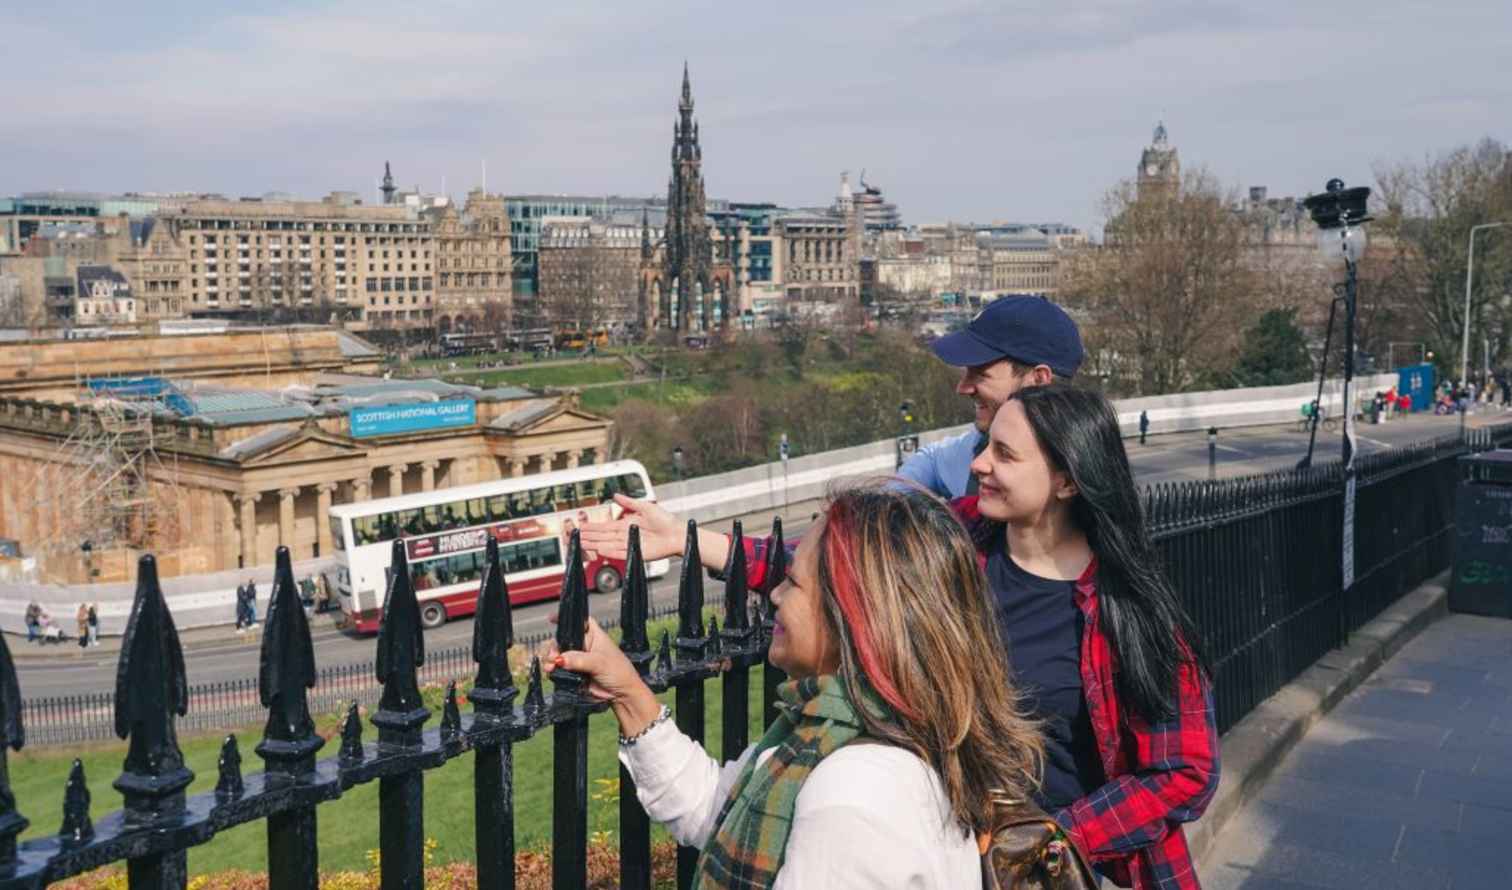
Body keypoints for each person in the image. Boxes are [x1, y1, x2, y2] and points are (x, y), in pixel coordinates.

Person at [560, 485, 1045, 888]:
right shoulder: (856, 730)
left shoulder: (855, 793)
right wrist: (627, 691)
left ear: (852, 618)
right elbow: (717, 808)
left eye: (792, 582)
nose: (773, 594)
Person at [959, 383, 1218, 888]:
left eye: (1004, 454)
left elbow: (1186, 771)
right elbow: (844, 557)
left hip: (1047, 872)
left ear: (1066, 482)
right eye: (986, 445)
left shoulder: (1129, 610)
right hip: (947, 845)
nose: (979, 464)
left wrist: (1054, 836)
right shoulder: (957, 542)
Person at [896, 296, 1085, 499]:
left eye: (981, 374)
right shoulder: (976, 446)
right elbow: (934, 460)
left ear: (1038, 379)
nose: (962, 388)